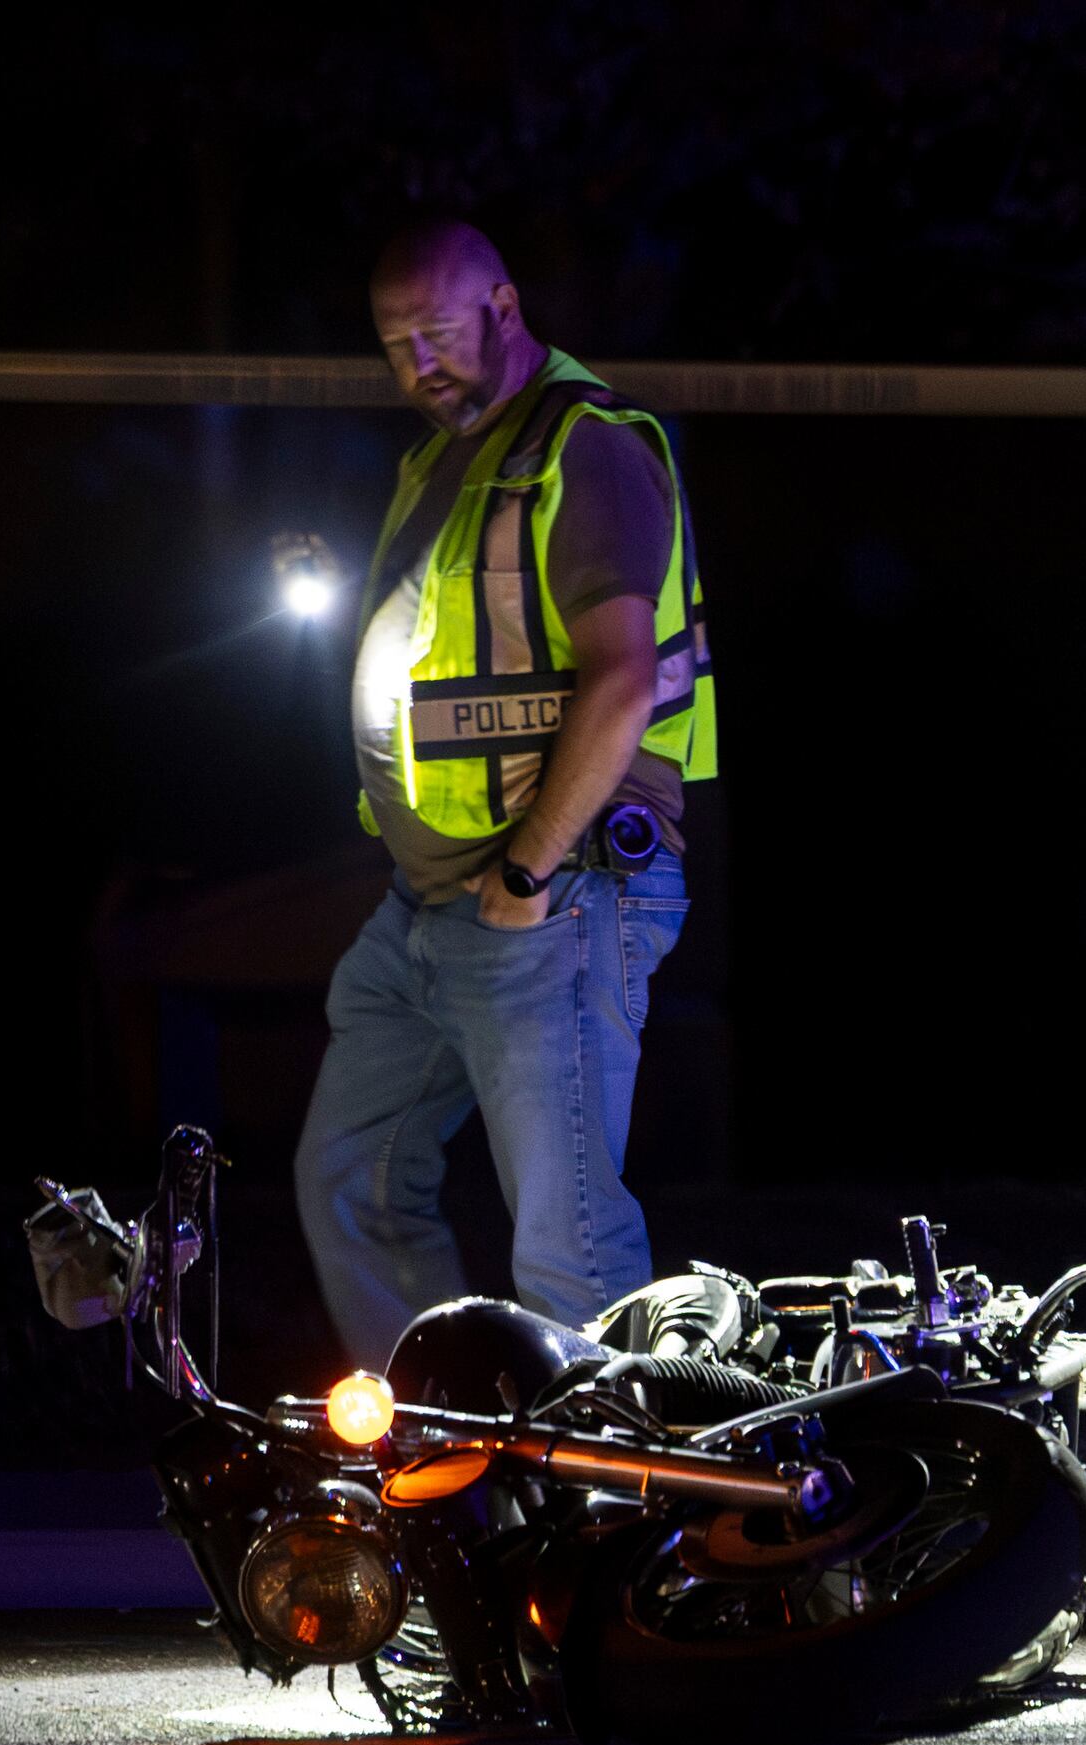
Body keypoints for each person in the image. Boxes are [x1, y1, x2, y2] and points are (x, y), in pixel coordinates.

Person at [296, 220, 717, 1369]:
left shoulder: (585, 446)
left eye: (438, 331)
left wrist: (527, 870)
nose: (420, 364)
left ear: (506, 306)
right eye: (396, 345)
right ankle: (450, 1476)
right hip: (431, 913)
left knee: (569, 1246)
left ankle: (615, 1518)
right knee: (350, 1182)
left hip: (556, 897)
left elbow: (624, 677)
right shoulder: (444, 462)